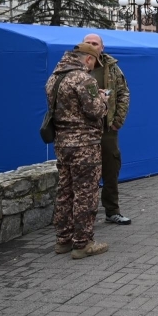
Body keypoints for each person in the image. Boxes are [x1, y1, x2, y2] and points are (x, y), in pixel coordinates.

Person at [46, 43, 109, 259]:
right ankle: (82, 243)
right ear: (88, 59)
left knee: (65, 191)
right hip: (84, 146)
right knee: (85, 193)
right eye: (93, 63)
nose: (92, 68)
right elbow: (95, 111)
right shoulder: (84, 79)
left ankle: (63, 240)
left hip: (62, 144)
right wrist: (103, 100)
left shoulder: (54, 78)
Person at [82, 33, 131, 226]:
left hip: (107, 130)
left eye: (95, 43)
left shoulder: (112, 69)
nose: (92, 46)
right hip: (83, 132)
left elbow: (123, 93)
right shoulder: (74, 68)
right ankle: (84, 215)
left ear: (102, 47)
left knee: (111, 169)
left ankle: (112, 211)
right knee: (85, 173)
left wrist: (118, 119)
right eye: (88, 43)